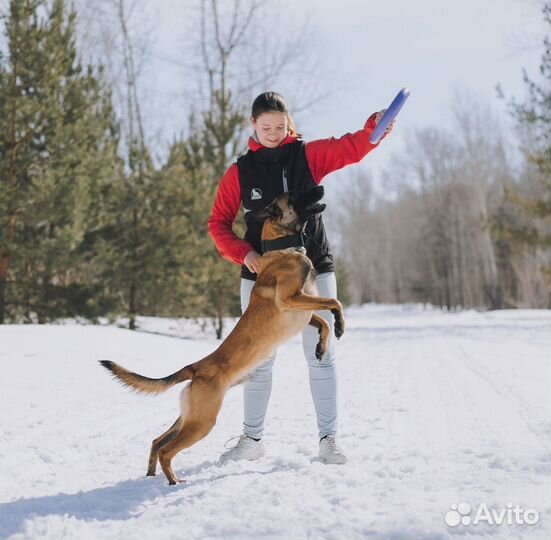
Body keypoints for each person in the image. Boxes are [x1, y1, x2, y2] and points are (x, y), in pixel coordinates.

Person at [208, 91, 394, 464]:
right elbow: (218, 224)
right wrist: (247, 255)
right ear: (253, 126)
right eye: (266, 127)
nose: (274, 132)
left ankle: (329, 440)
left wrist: (376, 128)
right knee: (258, 360)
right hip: (261, 278)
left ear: (288, 123)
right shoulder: (241, 171)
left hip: (314, 269)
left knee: (321, 355)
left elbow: (352, 148)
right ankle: (252, 439)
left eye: (280, 126)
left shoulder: (307, 156)